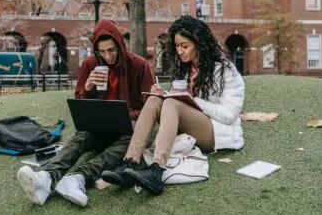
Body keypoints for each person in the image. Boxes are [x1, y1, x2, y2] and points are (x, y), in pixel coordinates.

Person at [17, 19, 154, 207]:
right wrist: (88, 87)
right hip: (99, 128)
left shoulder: (139, 65)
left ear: (121, 45)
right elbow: (81, 104)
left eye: (112, 50)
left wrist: (127, 115)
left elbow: (150, 108)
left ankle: (77, 178)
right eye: (102, 51)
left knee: (131, 140)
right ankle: (47, 177)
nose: (108, 56)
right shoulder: (90, 63)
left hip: (127, 130)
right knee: (83, 134)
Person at [101, 15, 245, 195]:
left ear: (199, 44)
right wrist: (165, 94)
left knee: (172, 103)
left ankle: (157, 169)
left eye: (185, 46)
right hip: (191, 126)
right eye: (177, 46)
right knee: (155, 99)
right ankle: (129, 162)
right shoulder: (187, 68)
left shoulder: (225, 70)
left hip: (216, 131)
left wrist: (189, 100)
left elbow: (229, 115)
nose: (180, 51)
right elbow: (182, 102)